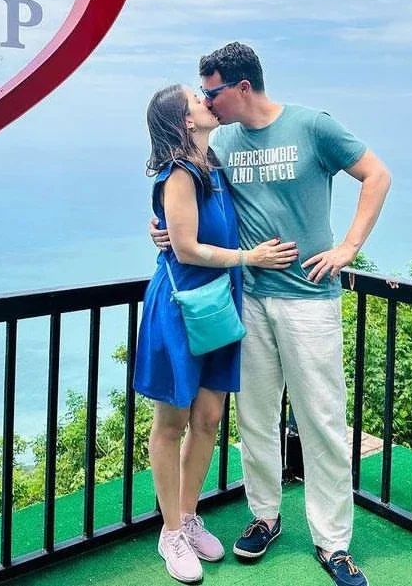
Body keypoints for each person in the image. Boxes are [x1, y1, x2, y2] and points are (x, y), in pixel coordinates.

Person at [150, 45, 391, 586]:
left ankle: (333, 542)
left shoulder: (313, 127)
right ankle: (265, 516)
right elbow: (182, 194)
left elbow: (376, 176)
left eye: (210, 91)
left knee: (323, 422)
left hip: (309, 300)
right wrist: (160, 227)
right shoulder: (220, 145)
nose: (207, 102)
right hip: (248, 301)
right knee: (256, 419)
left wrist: (349, 248)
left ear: (239, 87)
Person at [135, 84, 299, 584]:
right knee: (171, 422)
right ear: (185, 121)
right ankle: (169, 533)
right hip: (183, 307)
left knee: (207, 417)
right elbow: (185, 250)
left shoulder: (213, 167)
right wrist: (250, 259)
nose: (208, 102)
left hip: (219, 308)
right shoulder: (181, 174)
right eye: (197, 100)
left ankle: (188, 516)